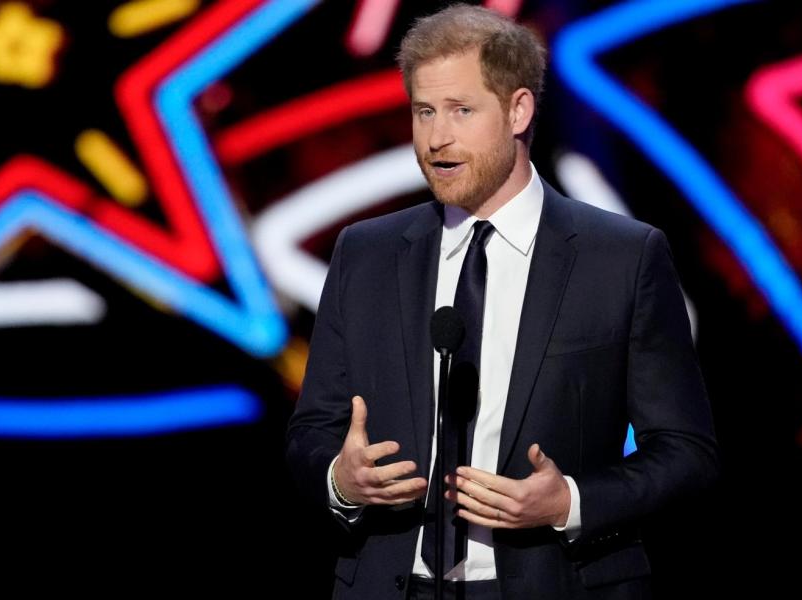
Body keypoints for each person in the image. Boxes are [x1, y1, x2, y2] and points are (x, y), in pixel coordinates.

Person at [285, 5, 718, 599]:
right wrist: (342, 479)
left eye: (462, 111)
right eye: (424, 112)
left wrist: (570, 500)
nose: (437, 138)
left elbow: (687, 453)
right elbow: (312, 431)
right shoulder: (366, 254)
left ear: (518, 110)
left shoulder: (623, 258)